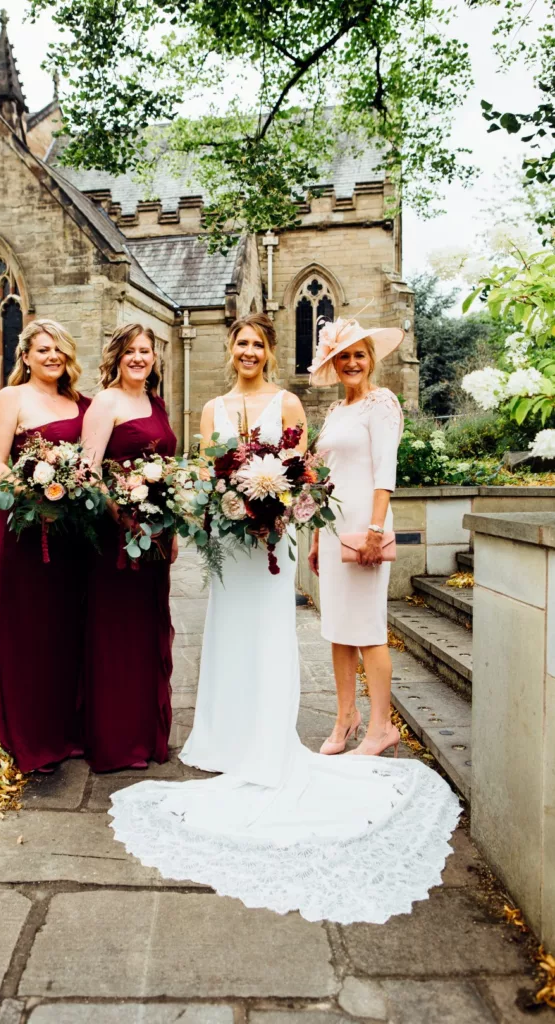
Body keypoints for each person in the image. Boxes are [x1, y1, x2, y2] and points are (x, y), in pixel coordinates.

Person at [108, 312, 460, 924]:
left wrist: (279, 513)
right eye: (240, 343)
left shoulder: (292, 403)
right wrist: (218, 507)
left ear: (269, 352)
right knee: (229, 632)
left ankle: (275, 732)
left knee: (274, 634)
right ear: (231, 349)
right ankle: (225, 734)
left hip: (272, 543)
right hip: (229, 545)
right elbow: (200, 473)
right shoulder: (212, 409)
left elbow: (303, 477)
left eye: (258, 344)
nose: (248, 351)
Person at [0, 318, 90, 774]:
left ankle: (67, 731)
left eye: (59, 350)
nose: (52, 357)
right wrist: (32, 496)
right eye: (43, 350)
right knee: (30, 630)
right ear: (25, 356)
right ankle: (33, 739)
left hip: (72, 534)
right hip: (28, 530)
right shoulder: (12, 398)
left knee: (68, 628)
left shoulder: (78, 403)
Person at [308, 318, 406, 757]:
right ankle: (346, 717)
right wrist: (314, 536)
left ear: (371, 360)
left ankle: (382, 726)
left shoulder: (381, 403)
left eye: (359, 354)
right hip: (331, 531)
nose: (351, 362)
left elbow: (385, 471)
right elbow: (322, 478)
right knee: (338, 630)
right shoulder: (334, 412)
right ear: (334, 362)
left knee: (368, 629)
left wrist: (374, 529)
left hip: (366, 528)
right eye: (342, 355)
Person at [81, 323, 177, 772]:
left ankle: (146, 734)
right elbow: (90, 469)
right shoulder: (106, 402)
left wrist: (169, 528)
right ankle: (116, 741)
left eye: (147, 351)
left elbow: (168, 469)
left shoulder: (155, 403)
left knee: (146, 630)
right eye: (131, 351)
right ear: (117, 357)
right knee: (116, 633)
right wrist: (119, 511)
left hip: (156, 534)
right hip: (115, 536)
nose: (140, 358)